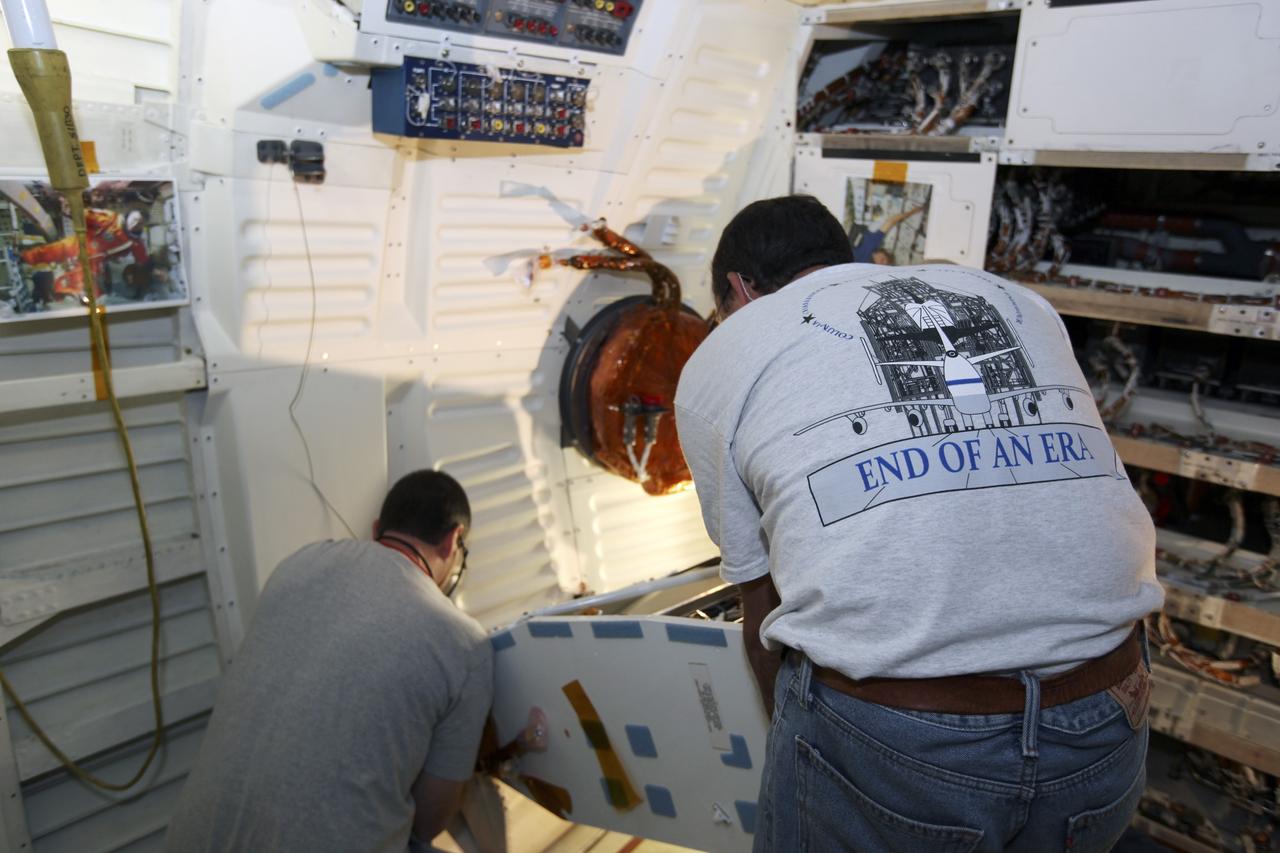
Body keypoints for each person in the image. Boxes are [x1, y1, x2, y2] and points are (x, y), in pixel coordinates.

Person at [674, 195, 1163, 852]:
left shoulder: (729, 346)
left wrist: (799, 743)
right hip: (1110, 714)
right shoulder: (1013, 299)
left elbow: (760, 606)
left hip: (904, 742)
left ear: (737, 289)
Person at [167, 470, 503, 853]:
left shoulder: (295, 565)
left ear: (378, 528)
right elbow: (427, 822)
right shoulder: (463, 643)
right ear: (454, 539)